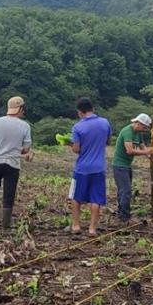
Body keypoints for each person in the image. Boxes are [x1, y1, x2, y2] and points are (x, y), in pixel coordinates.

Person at [65, 97, 112, 236]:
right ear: (93, 109)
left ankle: (76, 225)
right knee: (96, 199)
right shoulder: (105, 123)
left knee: (76, 197)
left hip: (82, 168)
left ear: (80, 112)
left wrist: (70, 144)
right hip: (99, 167)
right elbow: (108, 141)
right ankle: (92, 228)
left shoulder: (78, 127)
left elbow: (76, 149)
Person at [0, 96, 32, 229]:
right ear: (20, 108)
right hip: (13, 163)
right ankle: (6, 223)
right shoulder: (25, 126)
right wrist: (21, 151)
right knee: (9, 193)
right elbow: (26, 149)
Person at [111, 113, 153, 223]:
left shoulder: (138, 133)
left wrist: (149, 155)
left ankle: (122, 213)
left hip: (127, 165)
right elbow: (129, 150)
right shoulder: (127, 131)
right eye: (143, 127)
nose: (144, 130)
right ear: (138, 123)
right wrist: (146, 151)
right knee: (126, 190)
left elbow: (141, 144)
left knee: (124, 190)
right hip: (120, 165)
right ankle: (124, 216)